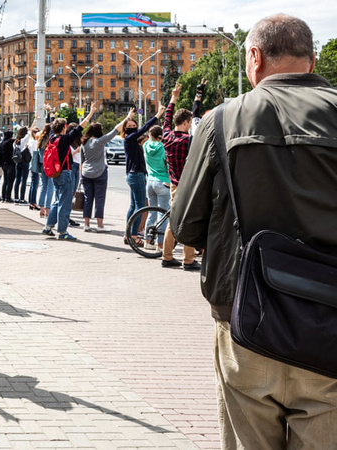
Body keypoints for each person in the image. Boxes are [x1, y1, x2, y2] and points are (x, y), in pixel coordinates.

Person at [170, 14, 337, 448]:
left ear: (254, 58)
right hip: (331, 327)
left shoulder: (221, 122)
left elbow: (185, 225)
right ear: (312, 59)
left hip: (247, 321)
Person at [160, 81, 199, 271]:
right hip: (187, 186)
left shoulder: (166, 136)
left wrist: (173, 97)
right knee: (188, 221)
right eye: (190, 122)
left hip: (174, 184)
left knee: (173, 221)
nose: (191, 125)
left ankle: (167, 256)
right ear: (185, 122)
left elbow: (166, 118)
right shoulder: (188, 140)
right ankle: (188, 260)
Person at [40, 109, 95, 241]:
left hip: (55, 174)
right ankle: (62, 232)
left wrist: (51, 114)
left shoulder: (52, 138)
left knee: (57, 201)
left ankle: (48, 227)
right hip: (64, 173)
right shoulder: (64, 139)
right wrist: (91, 113)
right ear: (64, 128)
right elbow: (80, 127)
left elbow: (54, 125)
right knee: (65, 204)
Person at [80, 106, 131, 233]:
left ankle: (86, 224)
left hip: (86, 173)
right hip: (99, 173)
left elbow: (82, 161)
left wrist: (81, 176)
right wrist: (127, 118)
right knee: (100, 199)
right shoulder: (100, 141)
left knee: (88, 198)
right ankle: (99, 225)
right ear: (98, 131)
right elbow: (115, 130)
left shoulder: (84, 143)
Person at [122, 105, 166, 245]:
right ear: (126, 129)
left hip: (133, 175)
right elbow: (145, 127)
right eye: (130, 125)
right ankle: (134, 235)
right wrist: (158, 115)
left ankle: (128, 233)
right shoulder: (129, 138)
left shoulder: (131, 140)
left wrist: (129, 116)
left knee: (133, 205)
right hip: (136, 175)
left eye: (134, 124)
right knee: (140, 206)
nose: (133, 126)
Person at [142, 125, 170, 252]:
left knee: (152, 211)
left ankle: (147, 241)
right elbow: (167, 163)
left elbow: (149, 139)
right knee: (163, 214)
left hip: (150, 181)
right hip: (163, 181)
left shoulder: (146, 145)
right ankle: (160, 245)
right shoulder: (163, 148)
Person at [12, 126, 31, 204]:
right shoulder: (24, 140)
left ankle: (16, 198)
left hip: (17, 162)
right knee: (24, 180)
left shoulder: (15, 142)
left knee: (17, 180)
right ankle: (22, 199)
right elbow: (29, 133)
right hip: (24, 162)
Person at [0, 130, 16, 203]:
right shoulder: (10, 142)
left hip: (3, 164)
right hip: (10, 164)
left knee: (5, 181)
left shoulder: (2, 143)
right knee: (10, 181)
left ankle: (3, 196)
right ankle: (8, 197)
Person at [27, 126, 42, 210]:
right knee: (35, 183)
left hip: (33, 162)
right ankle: (33, 202)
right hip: (34, 163)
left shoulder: (32, 141)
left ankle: (31, 202)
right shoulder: (34, 142)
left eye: (38, 131)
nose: (37, 133)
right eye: (35, 132)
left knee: (34, 183)